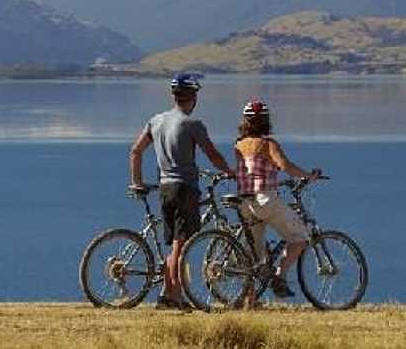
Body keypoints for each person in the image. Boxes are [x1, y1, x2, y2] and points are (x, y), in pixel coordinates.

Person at [129, 73, 233, 310]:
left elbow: (135, 151)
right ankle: (177, 297)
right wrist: (229, 171)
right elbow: (213, 154)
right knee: (181, 245)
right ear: (194, 97)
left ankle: (167, 295)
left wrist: (138, 182)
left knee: (175, 244)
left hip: (165, 188)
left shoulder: (155, 121)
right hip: (185, 188)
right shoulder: (193, 124)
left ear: (174, 96)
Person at [234, 99, 318, 299]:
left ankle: (249, 299)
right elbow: (285, 166)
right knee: (301, 237)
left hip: (245, 202)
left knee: (253, 255)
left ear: (245, 122)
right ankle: (280, 276)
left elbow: (250, 174)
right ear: (266, 121)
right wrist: (308, 175)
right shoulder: (268, 144)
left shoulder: (239, 144)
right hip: (266, 201)